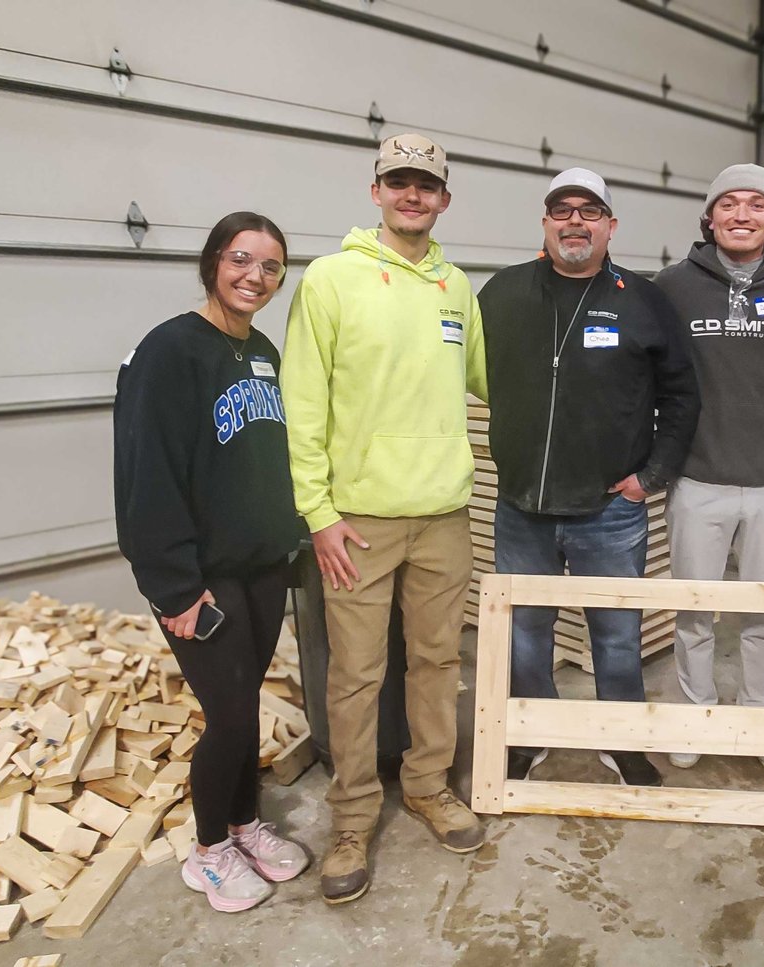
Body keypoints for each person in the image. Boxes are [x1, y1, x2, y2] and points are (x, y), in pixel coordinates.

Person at [280, 133, 488, 905]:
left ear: (443, 199)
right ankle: (352, 817)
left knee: (437, 662)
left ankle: (430, 785)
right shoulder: (332, 279)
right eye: (399, 182)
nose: (413, 195)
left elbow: (492, 380)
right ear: (376, 192)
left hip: (443, 513)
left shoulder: (457, 287)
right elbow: (302, 403)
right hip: (357, 520)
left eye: (426, 185)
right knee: (357, 674)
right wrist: (319, 512)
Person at [478, 167, 700, 787]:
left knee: (618, 636)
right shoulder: (501, 294)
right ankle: (533, 733)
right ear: (545, 222)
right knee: (527, 634)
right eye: (562, 210)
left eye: (590, 211)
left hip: (610, 510)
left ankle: (622, 742)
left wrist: (650, 476)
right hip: (522, 507)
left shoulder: (644, 299)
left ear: (610, 225)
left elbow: (682, 395)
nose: (575, 221)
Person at [114, 212, 307, 913]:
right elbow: (146, 476)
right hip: (200, 577)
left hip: (259, 564)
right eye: (241, 259)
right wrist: (174, 586)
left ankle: (243, 823)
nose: (255, 275)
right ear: (212, 262)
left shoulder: (262, 351)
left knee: (245, 705)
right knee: (227, 714)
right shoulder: (169, 351)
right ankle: (207, 854)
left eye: (271, 266)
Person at [653, 164, 764, 779]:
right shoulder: (671, 286)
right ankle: (695, 715)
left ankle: (760, 723)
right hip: (699, 478)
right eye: (729, 205)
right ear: (709, 217)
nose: (742, 215)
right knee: (692, 612)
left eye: (756, 205)